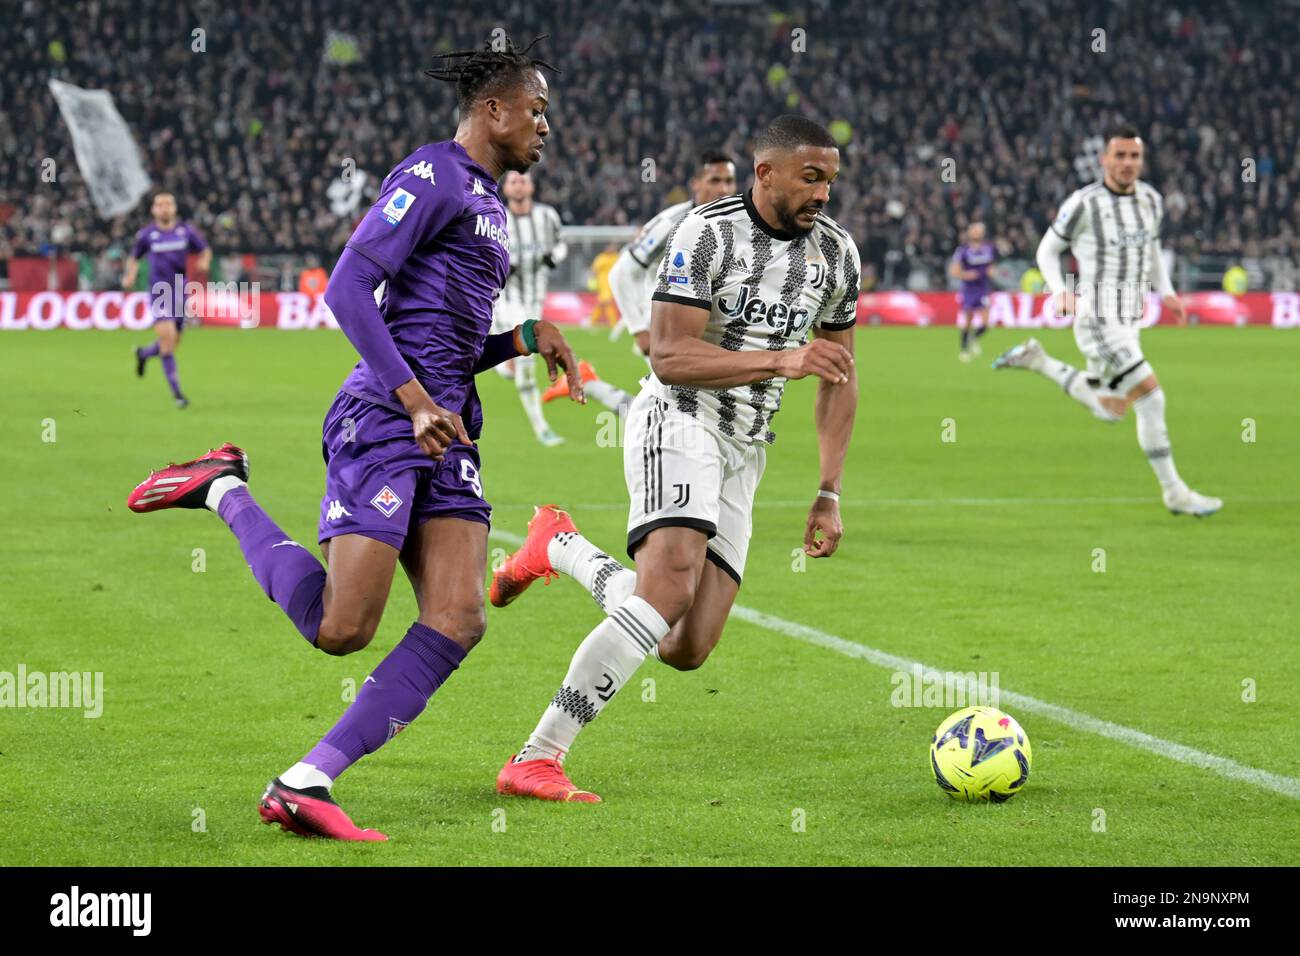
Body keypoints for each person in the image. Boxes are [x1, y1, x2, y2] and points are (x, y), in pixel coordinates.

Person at [125, 35, 585, 840]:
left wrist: (520, 339)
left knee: (460, 616)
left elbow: (439, 336)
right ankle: (222, 488)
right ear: (493, 109)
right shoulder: (434, 174)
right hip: (385, 416)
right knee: (343, 629)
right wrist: (411, 401)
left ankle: (307, 780)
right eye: (537, 110)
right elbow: (348, 286)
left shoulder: (488, 206)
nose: (546, 126)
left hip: (447, 431)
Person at [491, 115, 861, 802]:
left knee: (684, 646)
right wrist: (784, 358)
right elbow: (669, 355)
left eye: (831, 181)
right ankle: (537, 757)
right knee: (666, 589)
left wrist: (829, 488)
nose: (823, 194)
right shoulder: (707, 232)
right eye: (811, 178)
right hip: (679, 420)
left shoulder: (836, 254)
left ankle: (561, 546)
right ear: (766, 173)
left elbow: (841, 371)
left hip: (748, 448)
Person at [992, 124, 1221, 517]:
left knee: (1111, 408)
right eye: (1120, 156)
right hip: (1097, 313)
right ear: (1104, 160)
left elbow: (1152, 250)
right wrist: (1059, 289)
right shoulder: (1083, 204)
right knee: (1151, 396)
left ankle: (1039, 361)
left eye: (1134, 156)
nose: (1128, 163)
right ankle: (1174, 491)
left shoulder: (1151, 200)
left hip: (1131, 315)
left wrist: (1166, 292)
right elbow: (1047, 250)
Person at [542, 150, 739, 420]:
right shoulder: (672, 223)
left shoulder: (735, 224)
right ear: (696, 183)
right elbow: (621, 273)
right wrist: (639, 329)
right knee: (683, 416)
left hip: (706, 331)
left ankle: (593, 385)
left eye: (729, 181)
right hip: (665, 330)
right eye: (715, 181)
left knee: (678, 414)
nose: (724, 189)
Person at [490, 170, 568, 446]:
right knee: (525, 360)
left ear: (531, 186)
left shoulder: (547, 217)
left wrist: (553, 257)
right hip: (506, 300)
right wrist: (501, 266)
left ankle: (497, 363)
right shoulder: (497, 217)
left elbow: (561, 245)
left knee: (513, 366)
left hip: (535, 298)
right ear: (506, 188)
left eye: (524, 180)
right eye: (514, 181)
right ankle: (542, 428)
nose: (520, 185)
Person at [123, 192, 210, 408]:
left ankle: (143, 353)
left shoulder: (185, 231)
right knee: (168, 342)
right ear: (153, 210)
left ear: (174, 208)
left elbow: (205, 250)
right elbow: (134, 256)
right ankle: (178, 394)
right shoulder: (147, 235)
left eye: (168, 204)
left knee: (171, 343)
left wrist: (205, 261)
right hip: (159, 293)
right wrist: (131, 274)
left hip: (180, 292)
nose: (164, 208)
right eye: (160, 204)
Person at [950, 221, 995, 361]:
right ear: (970, 233)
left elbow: (991, 266)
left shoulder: (989, 249)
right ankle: (964, 350)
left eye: (980, 230)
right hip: (969, 290)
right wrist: (966, 275)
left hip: (983, 289)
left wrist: (992, 272)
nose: (977, 232)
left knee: (986, 324)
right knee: (968, 320)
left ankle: (973, 338)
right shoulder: (963, 251)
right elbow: (954, 271)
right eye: (975, 230)